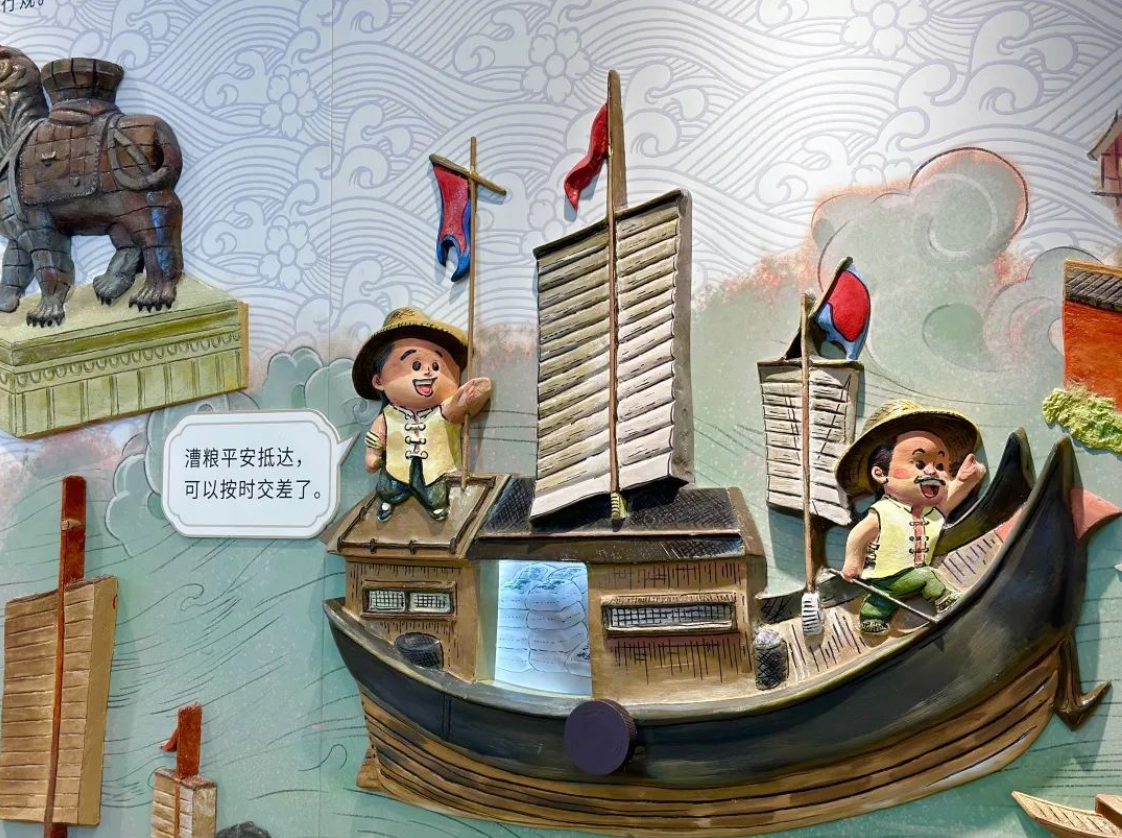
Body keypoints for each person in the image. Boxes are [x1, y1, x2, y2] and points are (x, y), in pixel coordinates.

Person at [834, 399, 986, 634]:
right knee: (926, 576)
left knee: (883, 599)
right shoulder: (883, 512)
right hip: (888, 574)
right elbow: (858, 536)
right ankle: (944, 599)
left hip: (902, 579)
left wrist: (966, 479)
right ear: (880, 474)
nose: (932, 471)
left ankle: (871, 615)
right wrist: (853, 563)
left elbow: (951, 497)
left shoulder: (931, 511)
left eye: (941, 466)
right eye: (919, 463)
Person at [352, 307, 492, 522]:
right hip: (395, 469)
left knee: (435, 493)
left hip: (435, 470)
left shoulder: (443, 411)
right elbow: (375, 443)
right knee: (389, 488)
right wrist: (372, 457)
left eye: (436, 365)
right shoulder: (386, 418)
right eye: (415, 365)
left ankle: (437, 507)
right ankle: (387, 502)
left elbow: (467, 400)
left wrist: (468, 397)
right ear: (379, 381)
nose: (428, 372)